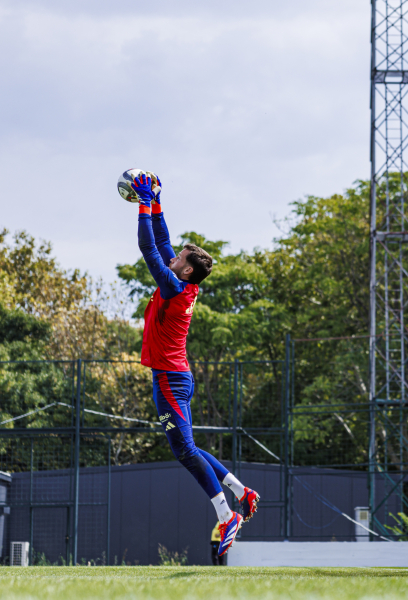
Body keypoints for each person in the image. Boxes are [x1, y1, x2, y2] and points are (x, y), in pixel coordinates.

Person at [132, 172, 260, 558]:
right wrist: (155, 200)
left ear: (185, 270)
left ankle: (226, 516)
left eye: (177, 259)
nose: (171, 257)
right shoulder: (183, 280)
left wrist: (140, 206)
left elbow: (148, 248)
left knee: (185, 451)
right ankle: (241, 491)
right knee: (189, 447)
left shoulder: (172, 284)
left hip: (170, 379)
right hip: (176, 376)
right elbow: (163, 241)